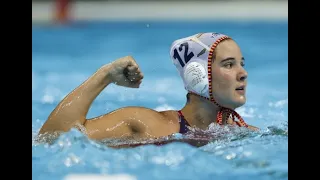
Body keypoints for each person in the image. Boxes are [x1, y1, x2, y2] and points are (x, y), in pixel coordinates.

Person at [37, 32, 259, 147]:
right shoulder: (146, 124)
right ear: (197, 75)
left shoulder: (244, 133)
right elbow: (51, 139)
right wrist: (104, 76)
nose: (243, 73)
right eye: (229, 64)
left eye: (242, 63)